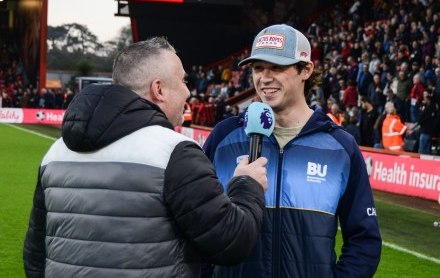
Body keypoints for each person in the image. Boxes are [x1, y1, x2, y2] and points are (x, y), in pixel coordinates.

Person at [23, 37, 268, 277]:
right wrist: (248, 185)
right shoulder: (174, 152)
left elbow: (35, 258)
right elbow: (230, 242)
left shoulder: (55, 151)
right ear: (158, 89)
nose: (188, 91)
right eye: (183, 81)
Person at [202, 24, 381, 277]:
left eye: (277, 67)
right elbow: (193, 224)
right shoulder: (223, 137)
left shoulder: (341, 147)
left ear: (306, 69)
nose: (264, 77)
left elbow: (365, 240)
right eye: (258, 68)